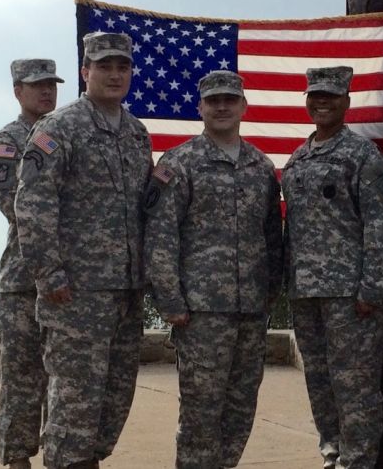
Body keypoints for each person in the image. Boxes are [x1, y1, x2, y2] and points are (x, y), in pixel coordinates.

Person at [14, 32, 153, 469]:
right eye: (105, 66)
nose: (115, 75)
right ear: (85, 72)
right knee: (74, 404)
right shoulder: (59, 128)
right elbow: (32, 206)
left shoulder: (135, 133)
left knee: (114, 398)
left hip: (127, 292)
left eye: (123, 67)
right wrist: (49, 276)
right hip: (76, 294)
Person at [144, 70, 283, 469]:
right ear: (200, 107)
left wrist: (269, 293)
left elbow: (272, 236)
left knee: (241, 409)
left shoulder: (260, 166)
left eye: (230, 100)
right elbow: (161, 234)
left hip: (251, 309)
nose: (222, 107)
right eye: (214, 100)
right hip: (201, 313)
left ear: (243, 106)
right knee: (201, 413)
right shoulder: (179, 163)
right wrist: (170, 299)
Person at [282, 66, 383, 468]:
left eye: (330, 97)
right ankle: (333, 455)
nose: (322, 103)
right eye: (315, 96)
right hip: (306, 294)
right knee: (320, 384)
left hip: (351, 296)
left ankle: (360, 462)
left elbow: (382, 223)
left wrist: (371, 287)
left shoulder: (361, 155)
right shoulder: (296, 160)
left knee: (356, 388)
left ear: (346, 103)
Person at [0, 58, 63, 469]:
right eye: (37, 86)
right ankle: (16, 460)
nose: (47, 92)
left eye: (51, 84)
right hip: (22, 285)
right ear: (18, 91)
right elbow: (18, 207)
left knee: (64, 384)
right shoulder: (7, 143)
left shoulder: (67, 133)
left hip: (68, 282)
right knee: (22, 382)